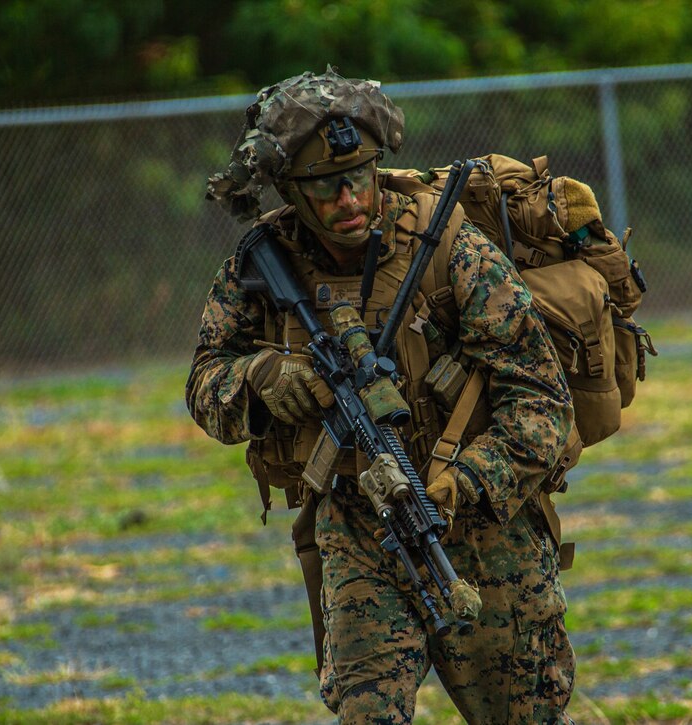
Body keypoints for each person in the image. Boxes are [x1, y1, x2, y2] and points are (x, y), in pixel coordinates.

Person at [186, 68, 576, 723]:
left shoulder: (451, 248)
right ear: (290, 191)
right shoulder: (262, 265)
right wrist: (263, 379)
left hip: (484, 534)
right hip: (356, 529)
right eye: (324, 187)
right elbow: (204, 384)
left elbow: (543, 404)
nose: (348, 199)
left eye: (358, 176)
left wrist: (464, 481)